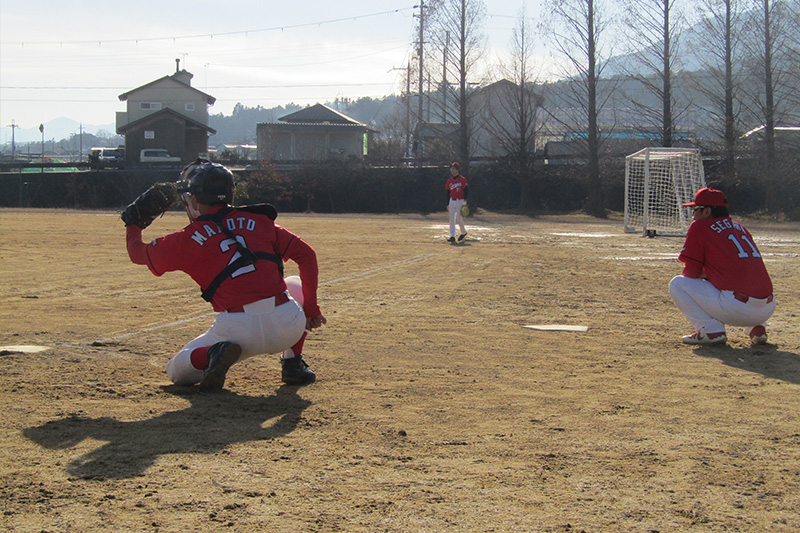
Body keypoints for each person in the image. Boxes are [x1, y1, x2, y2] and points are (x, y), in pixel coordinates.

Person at [124, 159, 326, 389]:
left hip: (237, 330)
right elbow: (307, 255)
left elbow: (136, 253)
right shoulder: (260, 221)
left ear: (196, 200)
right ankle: (293, 363)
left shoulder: (187, 238)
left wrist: (133, 223)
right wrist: (310, 309)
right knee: (294, 283)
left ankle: (213, 354)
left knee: (176, 370)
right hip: (288, 326)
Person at [669, 187, 775, 346]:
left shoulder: (700, 226)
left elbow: (690, 273)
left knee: (677, 284)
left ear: (707, 212)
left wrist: (705, 275)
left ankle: (710, 330)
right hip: (767, 308)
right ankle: (757, 328)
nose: (693, 214)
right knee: (739, 279)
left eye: (696, 209)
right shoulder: (740, 228)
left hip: (736, 308)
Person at [445, 162, 469, 243]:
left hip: (460, 200)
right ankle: (452, 236)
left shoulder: (462, 179)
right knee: (451, 219)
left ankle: (463, 232)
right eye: (451, 168)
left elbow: (466, 190)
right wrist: (447, 203)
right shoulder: (449, 181)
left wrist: (465, 201)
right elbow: (448, 192)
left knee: (458, 219)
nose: (452, 170)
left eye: (454, 168)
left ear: (457, 170)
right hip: (452, 200)